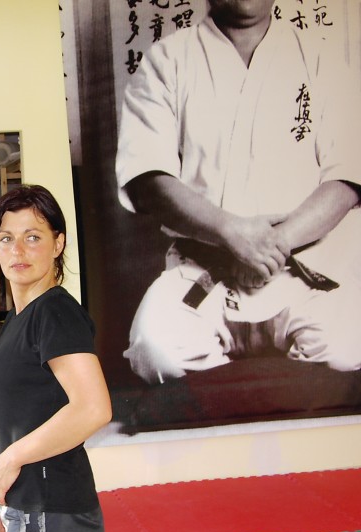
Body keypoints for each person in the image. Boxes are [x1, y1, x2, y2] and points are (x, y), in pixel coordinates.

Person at [116, 0, 361, 384]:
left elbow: (347, 177)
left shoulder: (321, 58)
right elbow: (148, 179)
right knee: (157, 349)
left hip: (307, 267)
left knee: (346, 349)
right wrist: (232, 234)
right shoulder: (167, 60)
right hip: (204, 268)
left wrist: (272, 244)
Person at [0, 184, 112, 532]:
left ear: (58, 244)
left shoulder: (54, 312)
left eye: (32, 236)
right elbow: (19, 416)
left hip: (52, 513)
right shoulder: (17, 320)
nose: (17, 249)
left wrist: (9, 462)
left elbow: (93, 408)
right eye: (6, 238)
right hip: (29, 506)